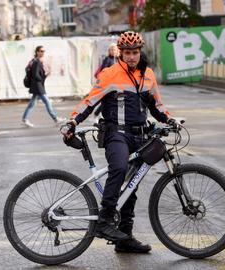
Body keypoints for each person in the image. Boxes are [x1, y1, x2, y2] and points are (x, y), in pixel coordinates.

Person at [63, 31, 175, 253]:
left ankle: (124, 239)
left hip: (140, 136)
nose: (132, 57)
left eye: (135, 52)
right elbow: (90, 101)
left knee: (131, 188)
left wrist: (169, 119)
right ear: (121, 53)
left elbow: (157, 106)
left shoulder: (148, 75)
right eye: (127, 53)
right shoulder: (110, 74)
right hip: (117, 134)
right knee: (119, 168)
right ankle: (104, 221)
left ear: (139, 52)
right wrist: (72, 121)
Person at [22, 46, 65, 127]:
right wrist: (44, 75)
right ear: (37, 52)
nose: (43, 53)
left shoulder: (34, 61)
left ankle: (24, 119)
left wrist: (44, 75)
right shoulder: (37, 62)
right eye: (41, 51)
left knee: (32, 104)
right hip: (38, 86)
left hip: (36, 86)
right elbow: (36, 75)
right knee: (47, 102)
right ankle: (56, 119)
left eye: (43, 51)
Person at [93, 43, 119, 117]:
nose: (113, 51)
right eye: (111, 50)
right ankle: (97, 113)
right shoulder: (107, 59)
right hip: (108, 84)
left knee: (111, 99)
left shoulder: (118, 59)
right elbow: (103, 71)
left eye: (114, 49)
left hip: (116, 84)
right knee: (106, 99)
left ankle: (98, 113)